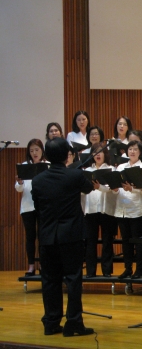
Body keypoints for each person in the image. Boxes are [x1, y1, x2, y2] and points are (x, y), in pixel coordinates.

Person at [31, 137, 94, 336]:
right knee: (73, 279)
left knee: (50, 280)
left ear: (47, 156)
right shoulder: (74, 176)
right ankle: (73, 323)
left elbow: (38, 207)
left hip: (48, 236)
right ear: (68, 154)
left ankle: (51, 322)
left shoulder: (38, 180)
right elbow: (89, 187)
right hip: (71, 236)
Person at [113, 141, 142, 279]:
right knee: (126, 242)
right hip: (122, 209)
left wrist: (132, 189)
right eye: (130, 149)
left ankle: (140, 269)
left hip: (137, 210)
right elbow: (116, 188)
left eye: (135, 149)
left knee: (138, 242)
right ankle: (127, 268)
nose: (132, 151)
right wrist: (115, 188)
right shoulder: (121, 167)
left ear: (140, 152)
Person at [83, 143, 117, 278]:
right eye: (95, 152)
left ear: (105, 154)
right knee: (90, 241)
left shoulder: (111, 170)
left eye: (100, 152)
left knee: (107, 241)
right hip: (90, 209)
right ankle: (90, 272)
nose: (98, 154)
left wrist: (99, 187)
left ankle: (107, 271)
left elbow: (113, 189)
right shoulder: (87, 171)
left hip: (106, 209)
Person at [15, 139, 47, 277]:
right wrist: (19, 183)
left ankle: (43, 265)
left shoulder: (46, 166)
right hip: (28, 206)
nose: (34, 153)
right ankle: (31, 266)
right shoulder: (24, 166)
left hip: (43, 206)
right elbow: (18, 189)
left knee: (43, 236)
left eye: (37, 150)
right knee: (30, 237)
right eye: (32, 150)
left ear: (42, 150)